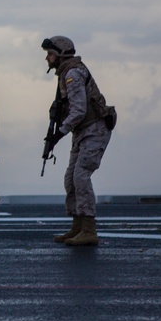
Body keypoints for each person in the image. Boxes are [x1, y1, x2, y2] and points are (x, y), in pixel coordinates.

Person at [42, 36, 115, 246]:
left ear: (60, 54)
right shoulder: (66, 73)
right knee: (70, 178)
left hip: (94, 129)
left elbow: (79, 110)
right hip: (82, 131)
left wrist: (58, 134)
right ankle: (77, 226)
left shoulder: (72, 73)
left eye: (50, 53)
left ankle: (89, 228)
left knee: (81, 176)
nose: (47, 58)